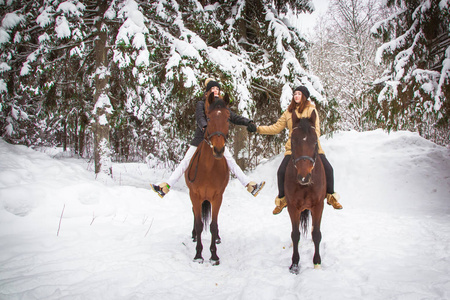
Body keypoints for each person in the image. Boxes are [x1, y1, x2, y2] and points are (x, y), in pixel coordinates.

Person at [151, 78, 265, 198]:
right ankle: (166, 187)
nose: (215, 91)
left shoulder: (221, 106)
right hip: (201, 138)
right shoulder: (201, 103)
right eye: (212, 89)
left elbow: (234, 117)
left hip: (216, 139)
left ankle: (249, 185)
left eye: (217, 89)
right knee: (185, 161)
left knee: (231, 161)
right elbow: (200, 117)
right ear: (207, 92)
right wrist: (205, 127)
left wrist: (248, 122)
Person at [248, 86, 342, 214]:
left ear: (304, 96)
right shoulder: (288, 112)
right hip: (293, 150)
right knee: (281, 172)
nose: (296, 96)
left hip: (312, 149)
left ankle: (331, 197)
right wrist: (258, 129)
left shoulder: (311, 110)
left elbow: (317, 130)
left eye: (299, 94)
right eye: (295, 94)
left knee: (329, 169)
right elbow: (276, 128)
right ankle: (282, 201)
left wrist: (309, 141)